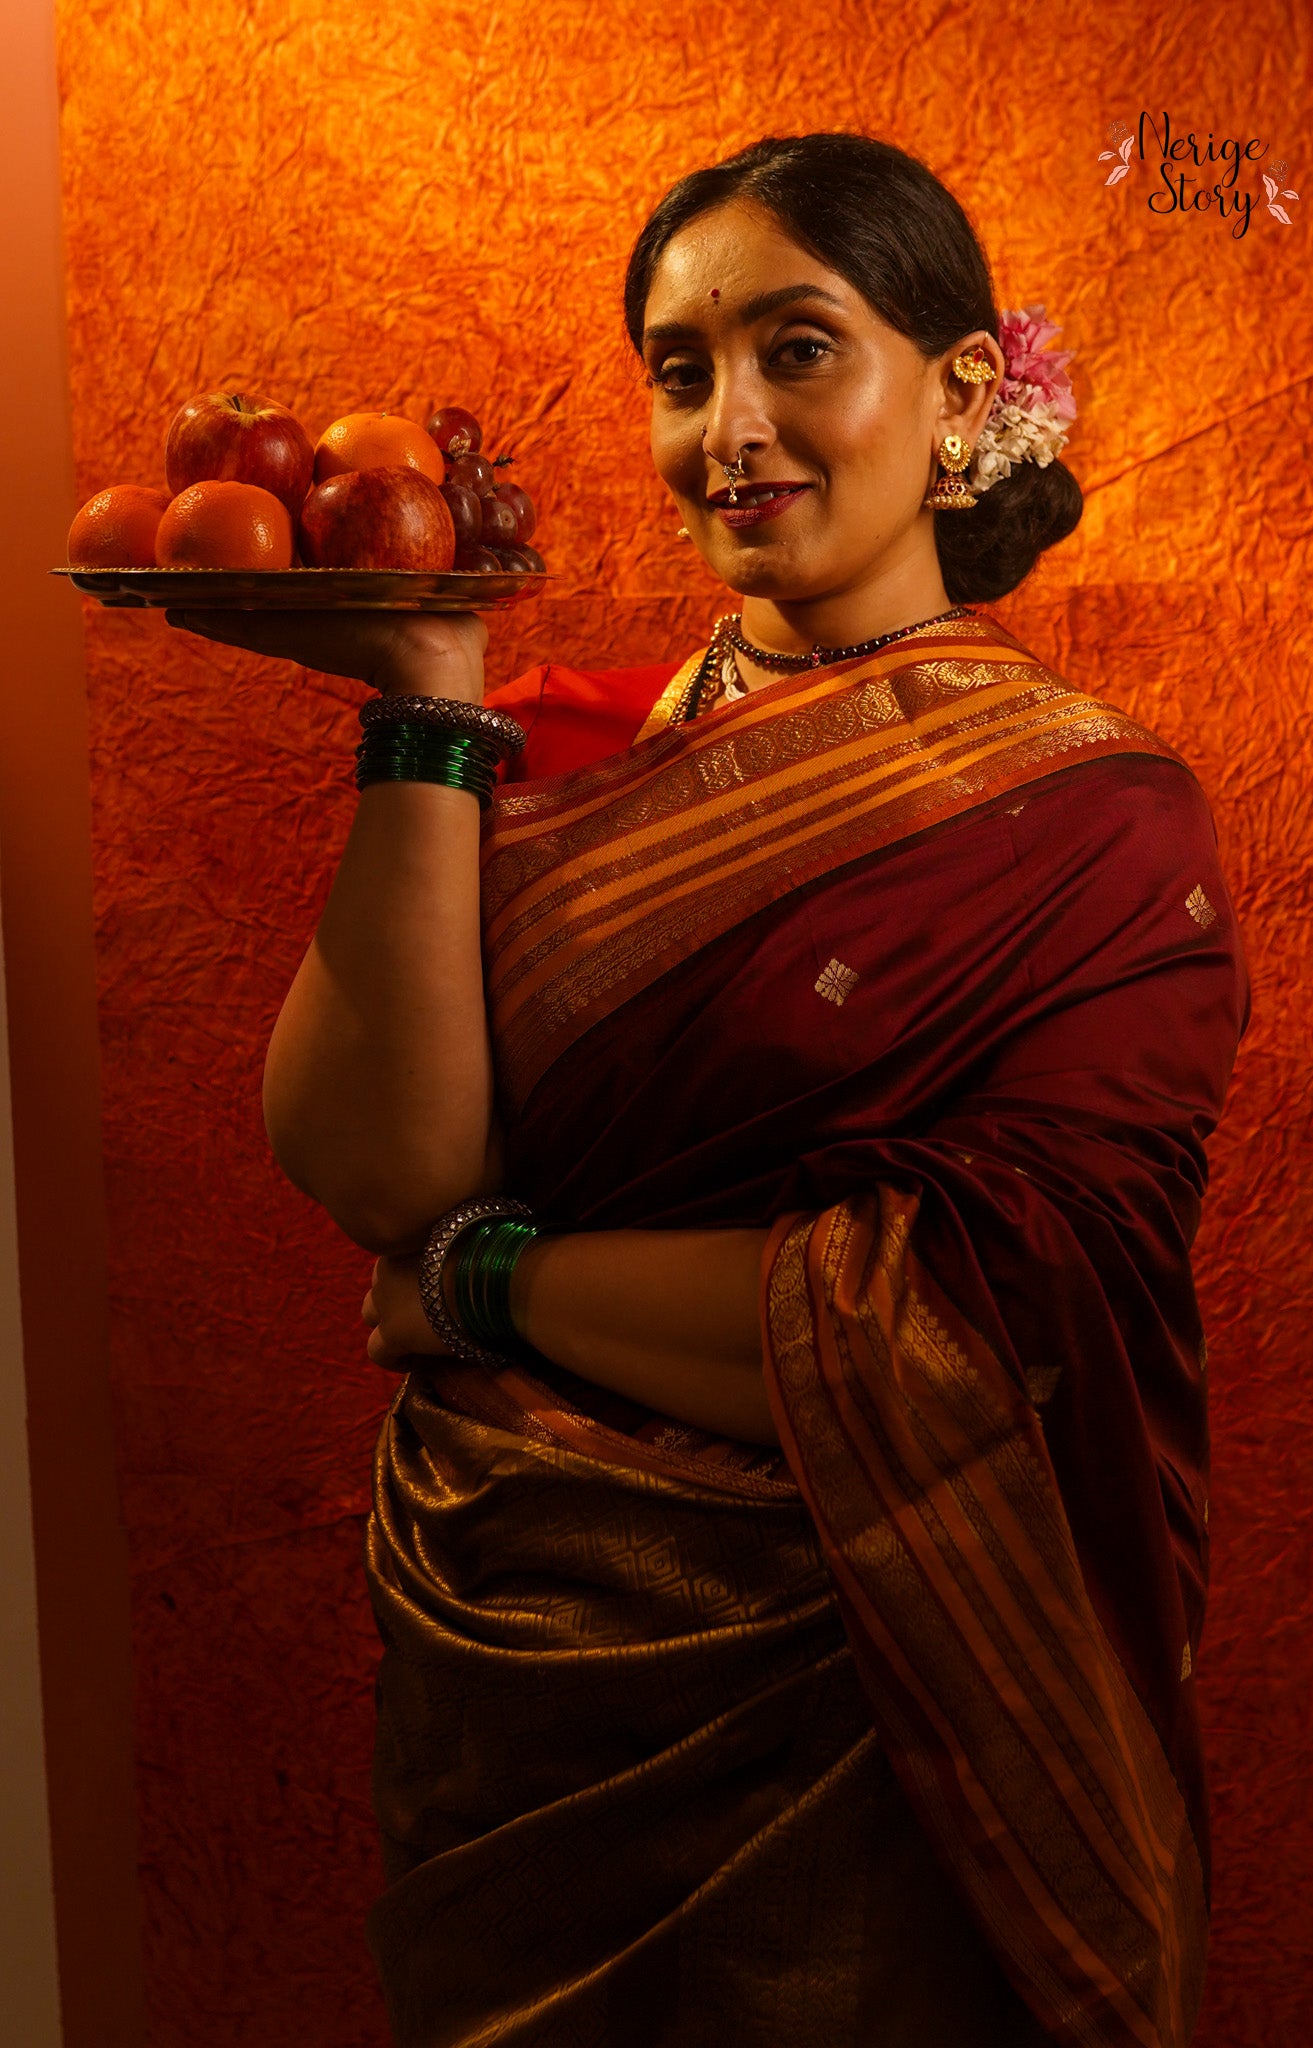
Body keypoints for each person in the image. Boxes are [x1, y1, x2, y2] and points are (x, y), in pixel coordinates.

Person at [171, 133, 1248, 2048]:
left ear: (964, 388)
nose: (729, 427)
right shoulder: (545, 748)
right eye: (681, 371)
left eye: (797, 349)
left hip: (883, 1703)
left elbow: (979, 1326)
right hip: (511, 1690)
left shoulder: (1098, 824)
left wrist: (487, 1289)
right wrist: (428, 681)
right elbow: (376, 1171)